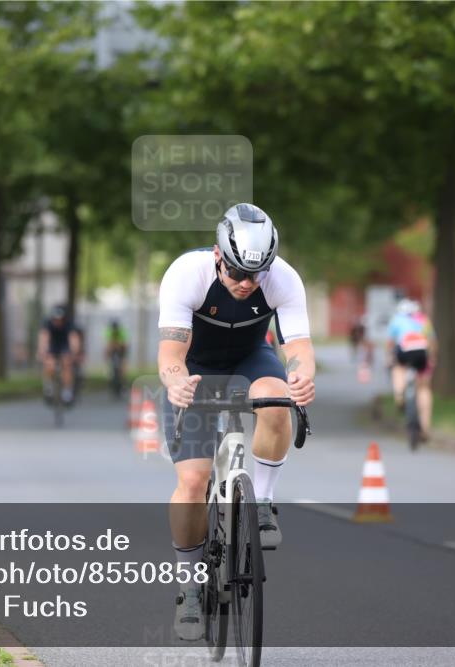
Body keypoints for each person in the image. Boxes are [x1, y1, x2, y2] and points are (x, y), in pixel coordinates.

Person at [157, 203, 315, 640]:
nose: (247, 283)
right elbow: (171, 354)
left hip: (250, 358)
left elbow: (298, 348)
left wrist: (302, 377)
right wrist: (176, 382)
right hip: (196, 367)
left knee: (277, 398)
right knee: (193, 481)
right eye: (237, 272)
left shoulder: (283, 278)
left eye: (257, 274)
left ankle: (262, 502)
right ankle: (190, 588)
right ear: (217, 255)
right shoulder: (186, 274)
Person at [386, 298, 436, 441]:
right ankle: (425, 427)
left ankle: (400, 395)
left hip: (404, 350)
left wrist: (388, 358)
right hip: (422, 352)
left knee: (398, 369)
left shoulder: (396, 320)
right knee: (424, 388)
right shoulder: (424, 320)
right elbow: (432, 342)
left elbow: (390, 343)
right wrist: (432, 359)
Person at [37, 304, 81, 405]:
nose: (58, 321)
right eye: (56, 319)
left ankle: (67, 390)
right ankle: (49, 385)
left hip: (65, 344)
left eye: (60, 319)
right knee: (49, 363)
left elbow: (74, 338)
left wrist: (75, 352)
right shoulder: (47, 323)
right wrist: (42, 351)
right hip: (52, 344)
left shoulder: (69, 324)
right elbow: (44, 337)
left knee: (67, 363)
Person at [105, 319, 128, 395]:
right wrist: (108, 355)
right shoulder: (109, 332)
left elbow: (125, 345)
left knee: (122, 366)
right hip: (112, 350)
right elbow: (108, 345)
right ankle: (110, 377)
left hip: (121, 350)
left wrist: (118, 346)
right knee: (110, 364)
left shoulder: (122, 332)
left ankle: (123, 381)